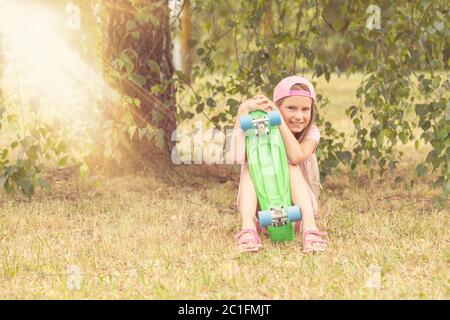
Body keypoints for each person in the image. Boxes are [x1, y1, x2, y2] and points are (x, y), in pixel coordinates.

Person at [228, 76, 326, 254]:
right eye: (291, 108)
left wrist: (279, 119)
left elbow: (296, 156)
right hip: (263, 216)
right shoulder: (265, 127)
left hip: (297, 216)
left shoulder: (312, 133)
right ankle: (248, 229)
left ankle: (310, 229)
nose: (299, 115)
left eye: (305, 109)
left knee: (290, 166)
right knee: (251, 167)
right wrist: (242, 113)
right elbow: (235, 157)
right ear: (276, 107)